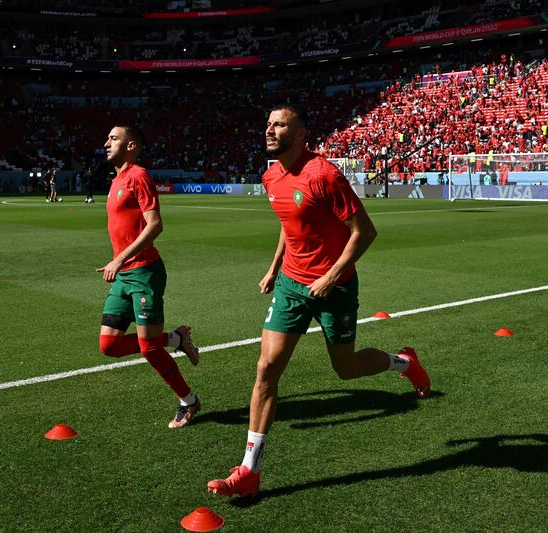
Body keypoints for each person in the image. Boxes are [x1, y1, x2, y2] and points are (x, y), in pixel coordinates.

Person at [207, 103, 431, 497]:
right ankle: (249, 470)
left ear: (301, 134)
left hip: (335, 287)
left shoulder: (324, 174)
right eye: (268, 124)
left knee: (345, 368)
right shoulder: (270, 175)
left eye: (280, 125)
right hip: (292, 286)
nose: (270, 130)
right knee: (266, 370)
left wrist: (329, 276)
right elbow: (289, 226)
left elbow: (364, 232)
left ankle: (404, 362)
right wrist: (274, 267)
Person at [97, 124, 201, 429]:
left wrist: (120, 258)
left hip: (144, 273)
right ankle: (177, 338)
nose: (106, 142)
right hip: (125, 275)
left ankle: (189, 402)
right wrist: (117, 261)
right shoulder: (117, 179)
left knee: (149, 348)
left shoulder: (138, 176)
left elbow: (154, 225)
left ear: (131, 146)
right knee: (109, 346)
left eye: (113, 138)